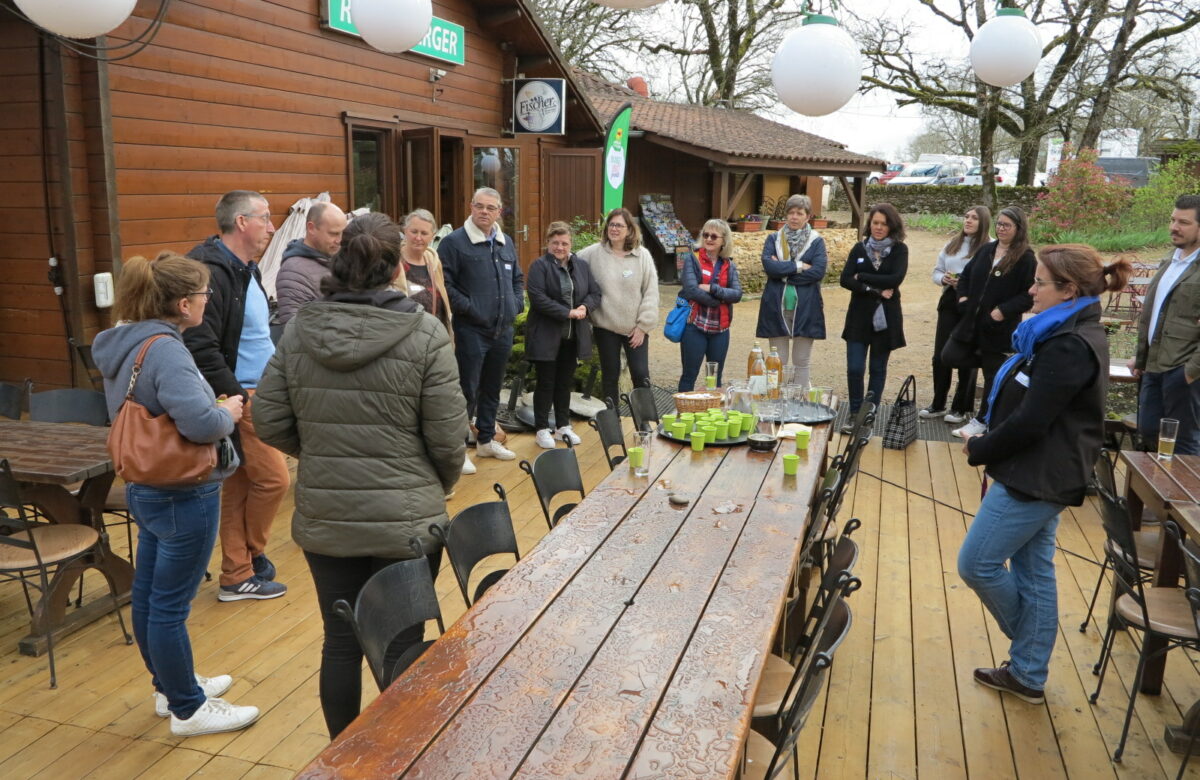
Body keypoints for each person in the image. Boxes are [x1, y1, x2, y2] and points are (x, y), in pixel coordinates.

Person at [253, 213, 467, 739]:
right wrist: (435, 484)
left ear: (340, 259)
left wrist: (324, 452)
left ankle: (342, 762)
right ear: (397, 267)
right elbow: (447, 436)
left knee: (341, 641)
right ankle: (402, 757)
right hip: (407, 516)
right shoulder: (425, 333)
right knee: (401, 642)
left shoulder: (301, 329)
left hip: (330, 515)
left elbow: (269, 420)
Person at [93, 252, 260, 736]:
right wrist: (227, 408)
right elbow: (201, 424)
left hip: (146, 486)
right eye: (206, 294)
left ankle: (171, 687)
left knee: (148, 596)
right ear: (185, 304)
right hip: (183, 491)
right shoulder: (166, 350)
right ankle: (188, 707)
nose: (209, 301)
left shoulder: (124, 342)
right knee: (168, 606)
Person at [959, 244, 1130, 704]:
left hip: (1037, 477)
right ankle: (1028, 674)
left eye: (1039, 283)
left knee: (976, 564)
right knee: (1034, 573)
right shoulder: (1059, 330)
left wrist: (980, 448)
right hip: (1038, 470)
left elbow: (1034, 420)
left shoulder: (1070, 344)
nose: (1030, 290)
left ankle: (1031, 651)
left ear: (1068, 290)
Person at [185, 190, 289, 602]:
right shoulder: (209, 271)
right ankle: (253, 557)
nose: (272, 226)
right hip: (241, 394)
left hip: (258, 390)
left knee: (243, 485)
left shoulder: (244, 267)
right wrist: (235, 395)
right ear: (242, 222)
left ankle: (237, 572)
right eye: (265, 217)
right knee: (275, 480)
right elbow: (201, 342)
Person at [438, 187, 524, 473]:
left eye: (490, 207)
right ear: (471, 207)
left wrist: (516, 303)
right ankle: (458, 450)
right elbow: (445, 285)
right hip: (471, 330)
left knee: (492, 388)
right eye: (479, 206)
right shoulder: (453, 243)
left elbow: (517, 278)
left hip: (502, 330)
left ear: (500, 211)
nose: (484, 212)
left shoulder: (505, 242)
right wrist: (471, 308)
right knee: (466, 390)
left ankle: (486, 440)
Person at [949, 206, 1037, 438]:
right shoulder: (987, 249)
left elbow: (1028, 294)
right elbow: (966, 275)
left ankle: (983, 420)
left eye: (1006, 225)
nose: (1001, 228)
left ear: (1019, 228)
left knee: (991, 375)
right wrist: (963, 297)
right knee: (949, 355)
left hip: (999, 326)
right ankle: (979, 407)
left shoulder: (1026, 258)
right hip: (971, 322)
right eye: (999, 224)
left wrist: (1002, 311)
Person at [1130, 195, 1200, 454]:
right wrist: (1141, 359)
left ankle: (1186, 494)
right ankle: (1158, 492)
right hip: (1154, 366)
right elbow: (1154, 314)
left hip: (1184, 370)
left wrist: (1191, 371)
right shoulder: (1169, 260)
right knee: (1148, 430)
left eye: (1183, 222)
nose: (1174, 227)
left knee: (1183, 442)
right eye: (1172, 220)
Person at [525, 221, 601, 449]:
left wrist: (585, 308)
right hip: (547, 335)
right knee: (546, 383)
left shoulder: (581, 266)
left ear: (571, 244)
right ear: (548, 243)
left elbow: (595, 292)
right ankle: (541, 428)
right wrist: (566, 312)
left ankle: (562, 426)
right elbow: (537, 298)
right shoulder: (540, 266)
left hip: (572, 336)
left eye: (564, 243)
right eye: (555, 242)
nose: (560, 247)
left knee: (564, 382)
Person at [577, 208, 659, 407]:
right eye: (611, 225)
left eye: (619, 225)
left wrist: (643, 326)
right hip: (606, 327)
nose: (614, 229)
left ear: (630, 229)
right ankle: (612, 420)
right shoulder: (593, 253)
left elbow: (651, 292)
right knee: (610, 375)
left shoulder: (642, 256)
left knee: (641, 375)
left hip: (635, 329)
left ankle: (644, 422)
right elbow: (569, 261)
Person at [840, 203, 908, 428]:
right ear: (869, 224)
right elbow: (845, 279)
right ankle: (855, 412)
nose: (879, 227)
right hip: (859, 317)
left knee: (877, 369)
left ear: (892, 226)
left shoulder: (900, 249)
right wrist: (872, 289)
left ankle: (868, 415)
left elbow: (895, 279)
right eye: (875, 223)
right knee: (855, 368)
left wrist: (862, 276)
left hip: (886, 319)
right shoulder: (859, 249)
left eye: (884, 224)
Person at [921, 206, 991, 424]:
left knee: (965, 355)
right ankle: (938, 403)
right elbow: (937, 271)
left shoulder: (989, 247)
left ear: (983, 223)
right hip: (950, 300)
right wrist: (944, 279)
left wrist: (968, 283)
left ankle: (961, 406)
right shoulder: (953, 243)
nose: (968, 221)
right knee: (940, 353)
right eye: (966, 216)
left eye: (974, 218)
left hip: (972, 304)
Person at [755, 194, 827, 388]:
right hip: (776, 306)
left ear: (807, 216)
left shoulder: (816, 242)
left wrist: (783, 271)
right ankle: (777, 400)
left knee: (801, 360)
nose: (794, 217)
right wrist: (800, 266)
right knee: (778, 360)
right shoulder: (774, 238)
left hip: (806, 307)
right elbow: (769, 267)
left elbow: (818, 272)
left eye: (799, 213)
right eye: (791, 212)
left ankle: (802, 401)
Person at [678, 218, 743, 391]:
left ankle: (712, 415)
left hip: (720, 329)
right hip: (695, 326)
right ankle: (683, 415)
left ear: (724, 241)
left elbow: (737, 294)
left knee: (715, 378)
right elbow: (691, 289)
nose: (708, 239)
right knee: (689, 375)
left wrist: (712, 288)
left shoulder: (729, 265)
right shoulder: (693, 259)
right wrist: (719, 299)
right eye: (705, 234)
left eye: (714, 236)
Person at [271, 202, 348, 331]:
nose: (339, 240)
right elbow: (294, 329)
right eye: (333, 233)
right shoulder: (293, 272)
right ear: (311, 228)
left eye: (342, 233)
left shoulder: (339, 259)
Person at [394, 208, 452, 335]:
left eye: (424, 233)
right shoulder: (394, 263)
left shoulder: (434, 262)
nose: (418, 238)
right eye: (414, 232)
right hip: (405, 336)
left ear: (432, 236)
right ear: (405, 231)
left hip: (434, 335)